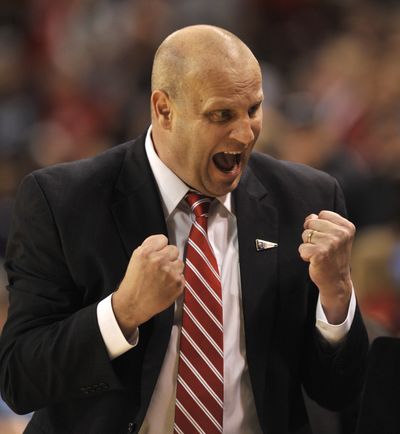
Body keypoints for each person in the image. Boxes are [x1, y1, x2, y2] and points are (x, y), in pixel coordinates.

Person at [0, 25, 368, 434]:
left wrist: (336, 297)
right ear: (163, 109)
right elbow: (19, 378)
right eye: (221, 115)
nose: (245, 134)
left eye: (253, 109)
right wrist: (122, 312)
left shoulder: (305, 199)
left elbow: (338, 393)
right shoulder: (64, 201)